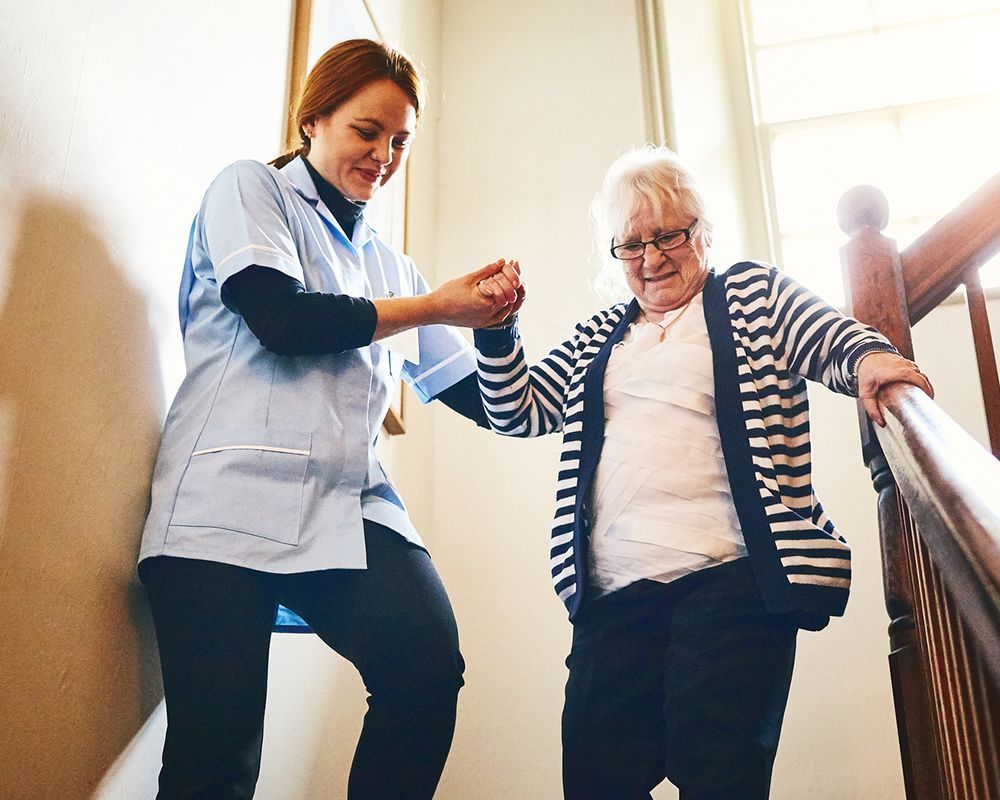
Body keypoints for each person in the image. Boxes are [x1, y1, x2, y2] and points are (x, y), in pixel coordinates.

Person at [472, 145, 933, 800]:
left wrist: (870, 362)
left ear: (702, 231)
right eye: (630, 245)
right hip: (614, 592)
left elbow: (825, 334)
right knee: (597, 776)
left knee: (718, 769)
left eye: (669, 235)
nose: (652, 258)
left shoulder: (750, 292)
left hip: (733, 577)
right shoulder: (601, 334)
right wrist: (496, 332)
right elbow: (519, 409)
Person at [138, 38, 522, 800]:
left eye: (401, 140)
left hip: (346, 504)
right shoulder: (251, 189)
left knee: (426, 669)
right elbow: (280, 317)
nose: (384, 155)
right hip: (224, 505)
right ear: (313, 119)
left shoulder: (388, 263)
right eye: (367, 131)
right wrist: (439, 305)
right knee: (218, 758)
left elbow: (482, 398)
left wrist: (499, 322)